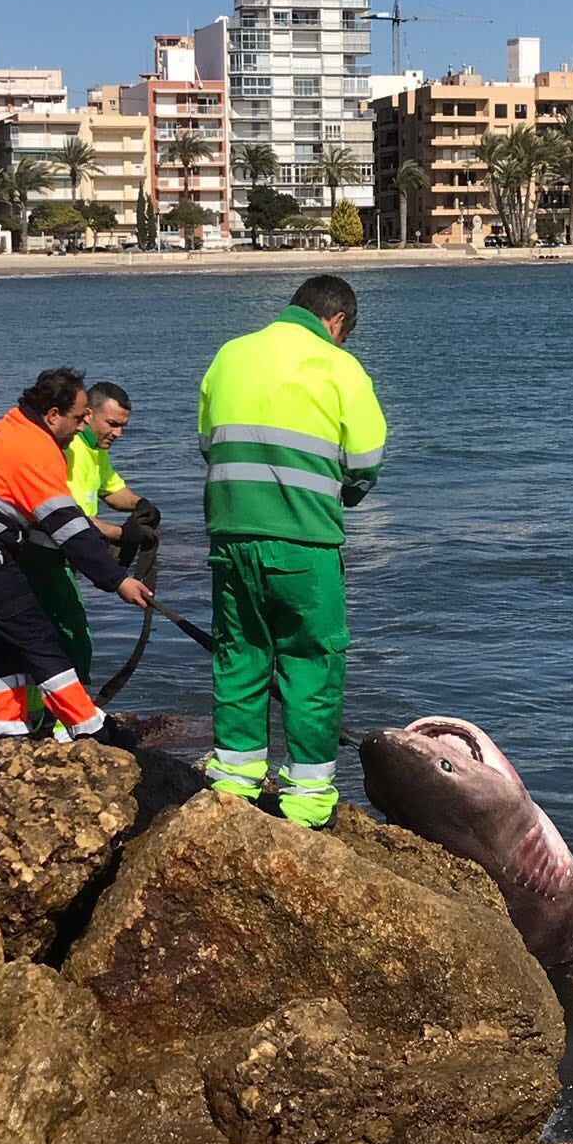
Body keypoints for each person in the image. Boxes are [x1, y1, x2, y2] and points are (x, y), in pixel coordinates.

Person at [198, 275, 387, 829]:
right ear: (337, 322)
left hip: (230, 536)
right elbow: (366, 459)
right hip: (305, 541)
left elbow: (208, 444)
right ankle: (306, 801)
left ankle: (233, 782)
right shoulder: (339, 367)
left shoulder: (230, 355)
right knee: (311, 661)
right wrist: (343, 495)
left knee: (240, 653)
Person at [0, 367, 151, 744]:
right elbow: (66, 527)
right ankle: (88, 727)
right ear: (52, 415)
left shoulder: (11, 430)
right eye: (80, 416)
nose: (84, 426)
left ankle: (6, 730)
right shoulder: (35, 450)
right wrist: (118, 581)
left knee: (2, 637)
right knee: (37, 635)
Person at [20, 379, 160, 710]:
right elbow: (66, 516)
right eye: (112, 424)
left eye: (123, 426)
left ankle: (48, 714)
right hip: (41, 555)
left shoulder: (95, 451)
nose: (118, 434)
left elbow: (112, 491)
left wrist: (142, 506)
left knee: (55, 635)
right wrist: (120, 535)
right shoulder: (67, 450)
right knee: (72, 637)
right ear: (88, 414)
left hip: (65, 556)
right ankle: (65, 719)